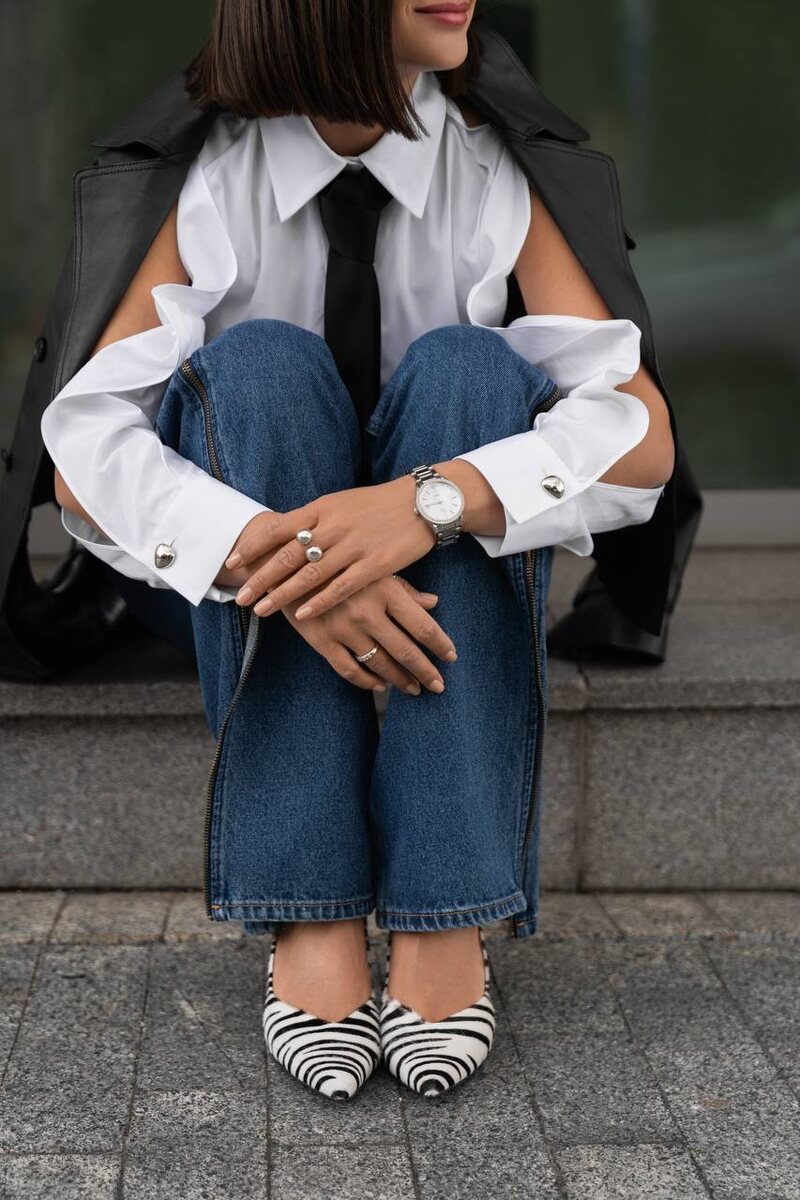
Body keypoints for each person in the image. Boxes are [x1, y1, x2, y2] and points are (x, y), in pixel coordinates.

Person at [39, 0, 674, 1100]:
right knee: (260, 366)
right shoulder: (210, 174)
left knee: (473, 368)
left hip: (441, 563)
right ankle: (311, 910)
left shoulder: (493, 168)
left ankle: (444, 913)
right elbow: (85, 457)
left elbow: (638, 434)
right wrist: (287, 556)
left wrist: (427, 505)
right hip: (239, 564)